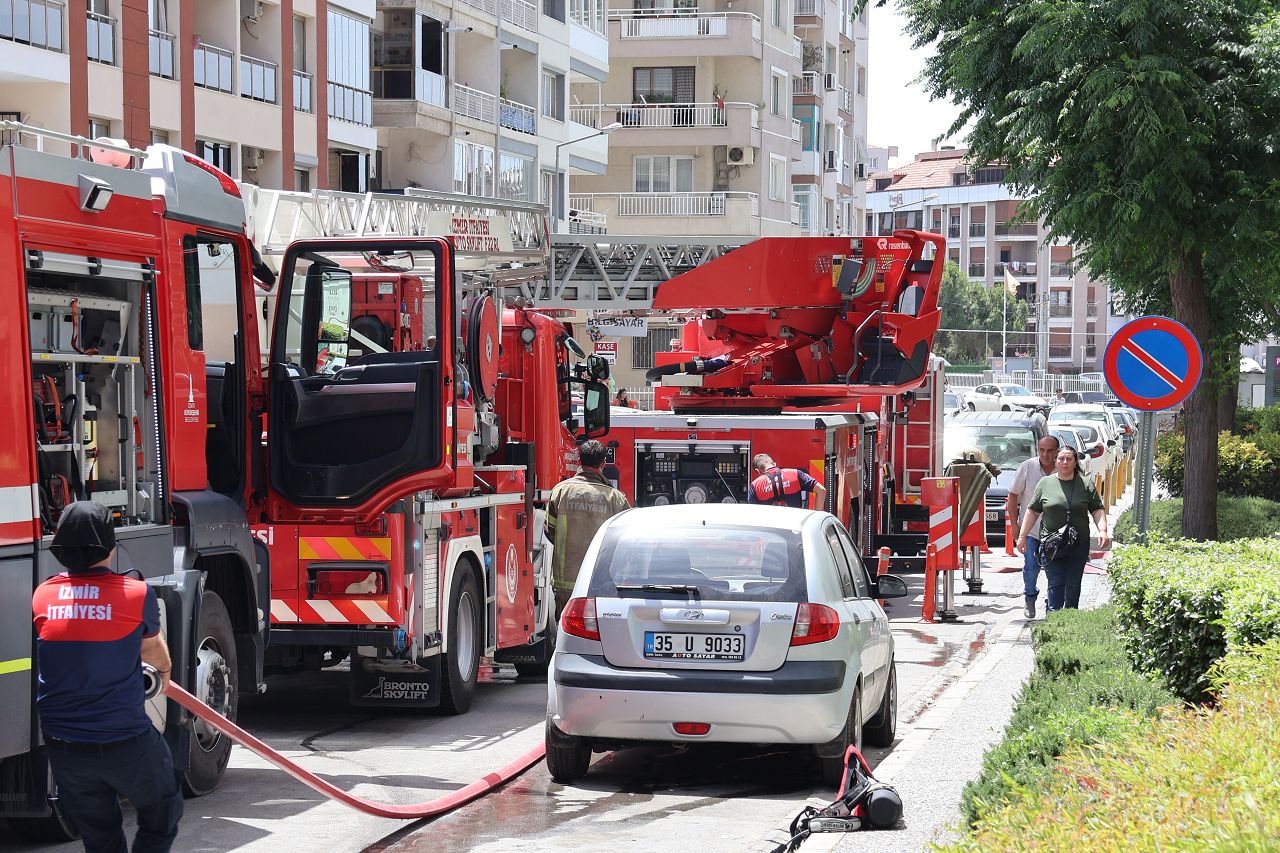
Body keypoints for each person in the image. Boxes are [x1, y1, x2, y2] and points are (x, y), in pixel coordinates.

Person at [31, 502, 183, 853]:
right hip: (124, 740)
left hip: (63, 747)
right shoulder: (135, 593)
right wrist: (164, 673)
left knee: (100, 835)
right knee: (163, 809)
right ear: (111, 547)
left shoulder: (43, 595)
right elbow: (153, 653)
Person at [1015, 447, 1109, 612]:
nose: (1064, 463)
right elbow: (1032, 511)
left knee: (1073, 585)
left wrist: (1103, 531)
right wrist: (1022, 536)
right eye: (1061, 459)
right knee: (1055, 583)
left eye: (1069, 459)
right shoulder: (1045, 483)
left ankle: (1070, 622)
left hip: (1078, 544)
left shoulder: (1085, 483)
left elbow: (1097, 509)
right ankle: (1053, 619)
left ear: (1075, 463)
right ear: (1055, 462)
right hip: (1052, 545)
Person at [546, 440, 631, 616]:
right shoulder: (615, 498)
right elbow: (627, 543)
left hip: (565, 584)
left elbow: (550, 532)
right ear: (603, 464)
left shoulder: (560, 491)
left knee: (566, 634)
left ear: (579, 461)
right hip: (601, 584)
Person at [1006, 435, 1061, 619]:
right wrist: (1014, 526)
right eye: (1042, 450)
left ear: (1056, 451)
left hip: (1056, 533)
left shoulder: (1064, 468)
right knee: (1031, 567)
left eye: (1050, 450)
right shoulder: (1027, 467)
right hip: (1030, 531)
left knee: (1055, 571)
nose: (1045, 454)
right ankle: (1030, 597)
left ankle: (1051, 606)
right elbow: (1013, 496)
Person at [747, 454, 827, 509]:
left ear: (758, 471)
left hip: (769, 531)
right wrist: (816, 513)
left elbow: (753, 513)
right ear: (774, 464)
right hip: (795, 529)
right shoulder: (795, 474)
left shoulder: (755, 485)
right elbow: (821, 490)